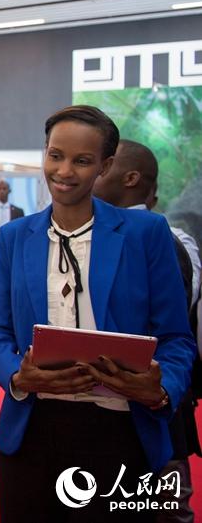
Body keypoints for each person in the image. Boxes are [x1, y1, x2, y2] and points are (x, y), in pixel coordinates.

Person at [0, 105, 196, 522]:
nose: (64, 171)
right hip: (31, 432)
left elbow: (176, 338)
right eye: (55, 155)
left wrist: (160, 388)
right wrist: (17, 376)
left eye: (82, 160)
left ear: (105, 165)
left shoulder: (146, 233)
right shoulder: (14, 237)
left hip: (122, 431)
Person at [93, 138, 201, 523]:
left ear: (131, 178)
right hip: (101, 415)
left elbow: (173, 335)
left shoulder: (163, 241)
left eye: (104, 165)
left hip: (154, 411)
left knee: (163, 510)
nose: (92, 173)